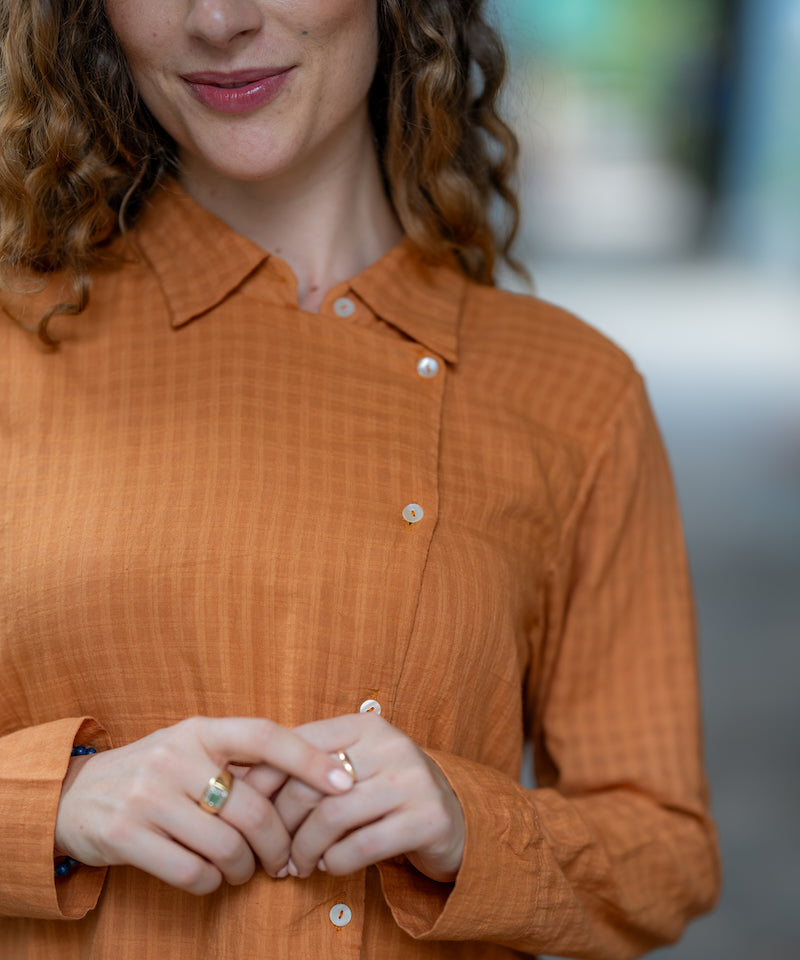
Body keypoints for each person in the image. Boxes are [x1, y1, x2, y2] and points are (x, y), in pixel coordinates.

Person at [0, 1, 721, 957]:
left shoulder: (573, 394)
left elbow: (666, 856)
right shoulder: (17, 343)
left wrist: (469, 825)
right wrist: (56, 803)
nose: (218, 19)